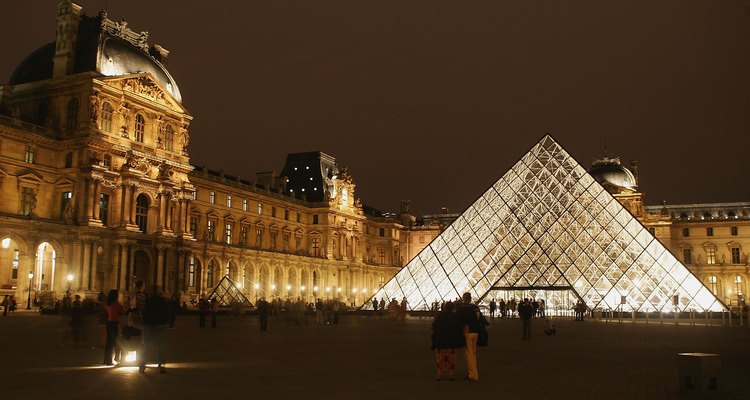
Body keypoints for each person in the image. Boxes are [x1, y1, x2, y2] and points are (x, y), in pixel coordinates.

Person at [431, 301, 464, 381]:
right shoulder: (455, 316)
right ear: (453, 307)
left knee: (440, 357)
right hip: (451, 340)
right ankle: (451, 374)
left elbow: (434, 326)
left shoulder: (441, 315)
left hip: (440, 339)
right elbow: (459, 328)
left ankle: (439, 374)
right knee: (451, 357)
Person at [140, 287, 169, 373]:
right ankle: (162, 366)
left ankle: (142, 364)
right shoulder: (163, 302)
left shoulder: (148, 301)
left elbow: (144, 312)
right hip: (161, 325)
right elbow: (167, 312)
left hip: (149, 325)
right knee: (161, 346)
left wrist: (145, 322)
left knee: (146, 346)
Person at [457, 292, 482, 381]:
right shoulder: (475, 308)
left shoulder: (462, 308)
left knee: (469, 355)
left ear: (463, 298)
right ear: (470, 299)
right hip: (476, 332)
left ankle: (473, 375)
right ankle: (473, 372)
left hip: (468, 332)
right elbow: (479, 319)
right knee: (473, 354)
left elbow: (461, 320)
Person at [104, 289, 125, 365]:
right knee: (115, 342)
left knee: (108, 342)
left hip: (109, 322)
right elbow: (122, 311)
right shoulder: (116, 303)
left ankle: (107, 360)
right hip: (114, 323)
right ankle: (114, 359)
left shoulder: (108, 303)